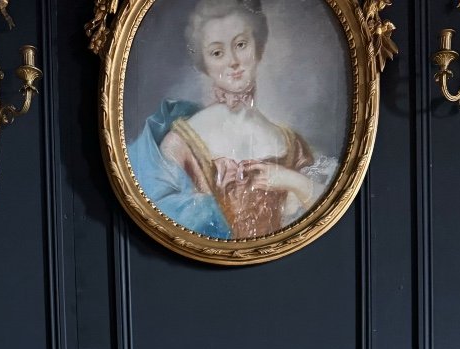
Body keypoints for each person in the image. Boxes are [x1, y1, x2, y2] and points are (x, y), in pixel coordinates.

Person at [128, 0, 336, 240]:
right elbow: (162, 222)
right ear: (203, 62)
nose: (233, 61)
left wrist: (290, 180)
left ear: (258, 47)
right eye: (217, 52)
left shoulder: (291, 143)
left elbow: (324, 214)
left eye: (241, 44)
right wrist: (209, 199)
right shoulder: (181, 143)